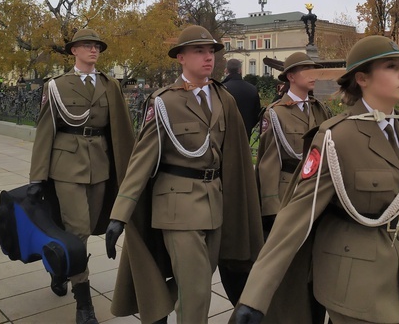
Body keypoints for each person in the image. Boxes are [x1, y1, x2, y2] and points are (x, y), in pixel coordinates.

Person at [234, 36, 399, 324]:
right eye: (392, 66)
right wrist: (254, 298)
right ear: (362, 78)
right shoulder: (337, 137)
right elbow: (296, 217)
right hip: (355, 282)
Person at [104, 25, 263, 324]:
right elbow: (142, 160)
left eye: (211, 52)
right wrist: (119, 214)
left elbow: (236, 159)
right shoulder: (165, 101)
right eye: (199, 51)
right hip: (176, 207)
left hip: (214, 205)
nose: (208, 58)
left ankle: (160, 308)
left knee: (191, 283)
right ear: (181, 57)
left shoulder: (223, 98)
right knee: (197, 290)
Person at [28, 28, 135, 324]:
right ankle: (83, 301)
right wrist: (37, 177)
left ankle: (60, 267)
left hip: (99, 165)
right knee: (76, 229)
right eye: (87, 46)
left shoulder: (109, 84)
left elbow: (120, 130)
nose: (93, 50)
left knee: (85, 229)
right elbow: (45, 131)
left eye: (97, 46)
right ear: (74, 51)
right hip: (66, 165)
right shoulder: (57, 86)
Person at [255, 52, 331, 234]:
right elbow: (269, 164)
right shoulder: (275, 113)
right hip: (288, 192)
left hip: (316, 191)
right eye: (306, 70)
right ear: (291, 76)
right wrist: (271, 206)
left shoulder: (320, 110)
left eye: (314, 70)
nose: (313, 74)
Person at [222, 58, 262, 138]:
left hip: (225, 134)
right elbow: (257, 114)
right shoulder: (252, 89)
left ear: (226, 70)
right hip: (245, 132)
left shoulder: (222, 88)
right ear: (240, 70)